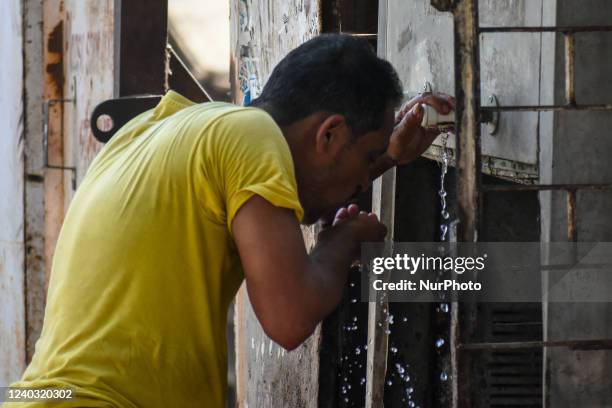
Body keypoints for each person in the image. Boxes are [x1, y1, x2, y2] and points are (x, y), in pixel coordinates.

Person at [8, 34, 454, 407]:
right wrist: (342, 244)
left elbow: (298, 196)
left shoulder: (156, 128)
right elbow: (289, 317)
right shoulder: (252, 137)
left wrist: (388, 157)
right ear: (330, 133)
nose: (362, 182)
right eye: (366, 157)